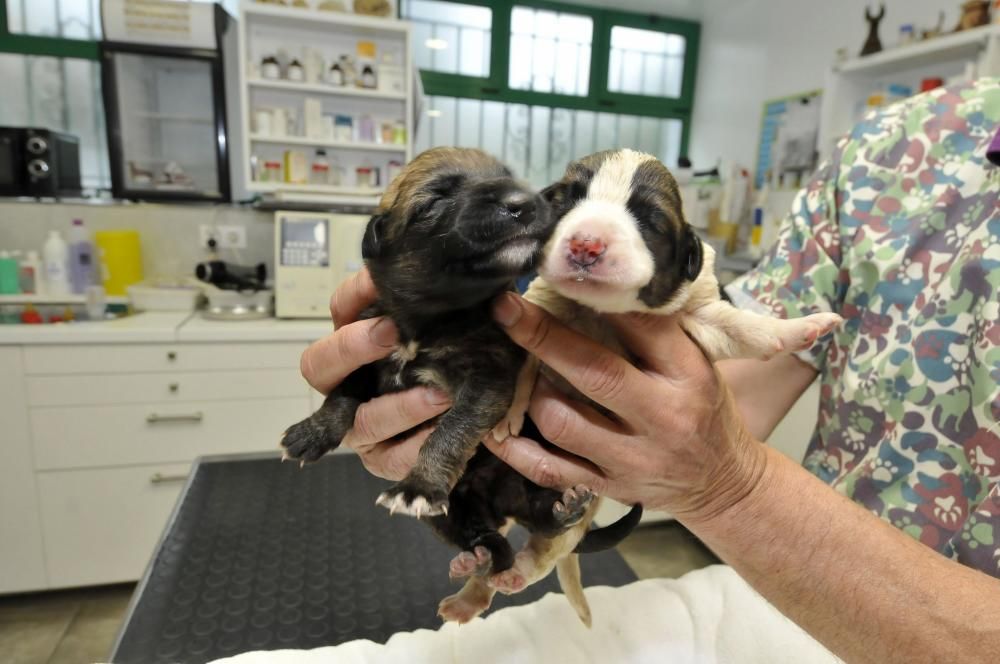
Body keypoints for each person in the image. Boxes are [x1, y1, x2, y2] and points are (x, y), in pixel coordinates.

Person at [299, 78, 1000, 662]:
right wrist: (450, 392)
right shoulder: (886, 151)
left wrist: (731, 486)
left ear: (686, 257)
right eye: (563, 203)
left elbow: (718, 374)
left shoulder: (697, 272)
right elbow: (716, 398)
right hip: (802, 619)